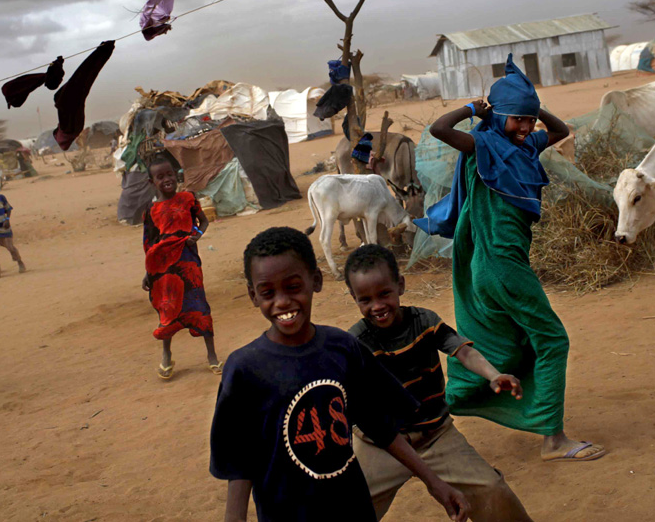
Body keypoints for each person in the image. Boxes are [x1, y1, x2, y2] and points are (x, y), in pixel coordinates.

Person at [417, 53, 605, 463]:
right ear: (497, 116)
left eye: (528, 120)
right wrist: (474, 109)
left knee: (508, 343)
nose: (524, 128)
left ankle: (433, 416)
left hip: (497, 270)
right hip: (503, 268)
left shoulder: (527, 144)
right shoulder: (481, 145)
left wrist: (531, 107)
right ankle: (553, 441)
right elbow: (438, 128)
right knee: (553, 340)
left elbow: (559, 129)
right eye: (516, 119)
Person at [210, 227, 470, 522]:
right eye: (268, 292)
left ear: (316, 281)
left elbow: (381, 427)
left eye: (293, 287)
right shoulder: (244, 368)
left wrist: (433, 481)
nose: (282, 301)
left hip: (352, 509)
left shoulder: (343, 348)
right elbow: (240, 464)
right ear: (253, 295)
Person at [345, 244, 533, 521]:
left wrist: (493, 375)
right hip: (381, 443)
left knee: (492, 489)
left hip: (435, 433)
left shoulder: (425, 322)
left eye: (384, 294)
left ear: (400, 285)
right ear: (354, 298)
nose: (377, 306)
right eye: (365, 300)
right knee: (348, 508)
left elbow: (464, 351)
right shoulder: (355, 342)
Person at [142, 153, 221, 379]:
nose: (166, 179)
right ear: (152, 182)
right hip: (164, 269)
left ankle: (212, 356)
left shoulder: (188, 198)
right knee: (168, 309)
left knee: (200, 306)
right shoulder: (151, 211)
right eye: (160, 176)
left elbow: (203, 222)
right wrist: (148, 274)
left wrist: (195, 235)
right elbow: (149, 244)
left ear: (176, 176)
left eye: (169, 174)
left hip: (189, 263)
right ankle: (166, 355)